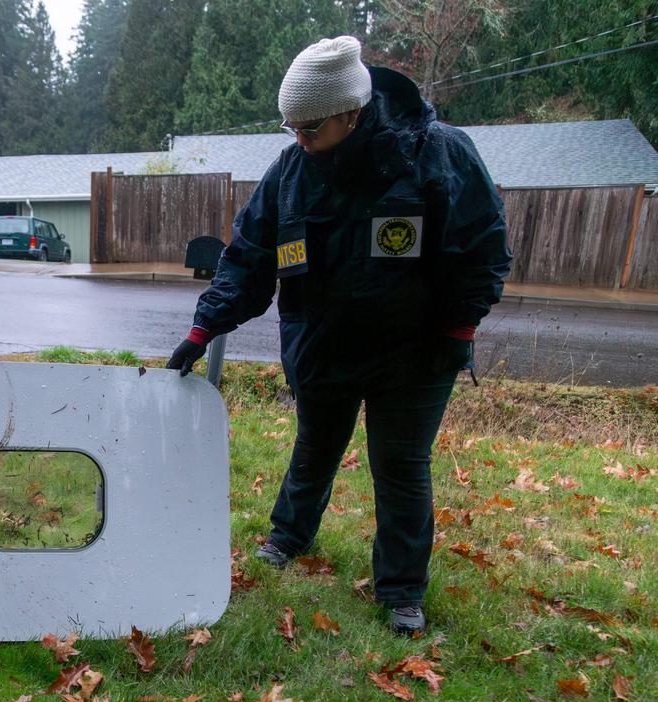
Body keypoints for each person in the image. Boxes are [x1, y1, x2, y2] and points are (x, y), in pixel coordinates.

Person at [167, 37, 511, 635]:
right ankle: (287, 537)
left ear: (351, 113)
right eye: (291, 126)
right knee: (315, 446)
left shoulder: (437, 154)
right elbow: (248, 256)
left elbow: (482, 249)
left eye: (311, 127)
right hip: (323, 344)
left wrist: (460, 326)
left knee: (400, 465)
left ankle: (401, 590)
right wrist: (205, 326)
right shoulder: (291, 171)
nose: (298, 139)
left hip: (414, 352)